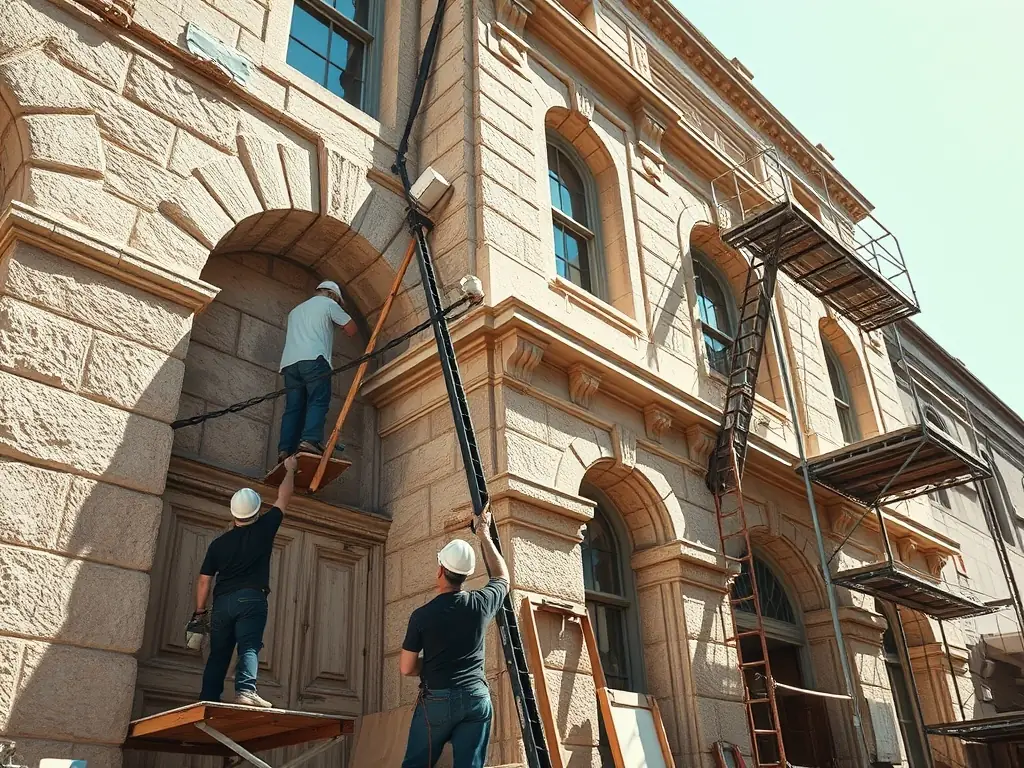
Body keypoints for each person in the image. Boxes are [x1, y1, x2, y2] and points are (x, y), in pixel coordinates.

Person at [399, 503, 509, 768]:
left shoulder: (421, 616)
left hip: (437, 701)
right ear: (466, 575)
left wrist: (434, 662)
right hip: (476, 699)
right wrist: (484, 533)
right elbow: (502, 577)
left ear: (440, 570)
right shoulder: (481, 603)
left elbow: (407, 668)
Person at [192, 455, 297, 707]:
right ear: (257, 511)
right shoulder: (265, 528)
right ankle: (246, 691)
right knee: (249, 645)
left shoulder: (218, 544)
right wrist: (290, 470)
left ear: (233, 513)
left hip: (222, 603)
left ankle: (207, 698)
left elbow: (204, 581)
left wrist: (199, 611)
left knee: (218, 653)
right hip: (251, 599)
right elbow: (283, 497)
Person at [277, 280, 358, 462]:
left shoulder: (295, 311)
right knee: (318, 400)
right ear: (333, 296)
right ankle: (310, 440)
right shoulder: (329, 304)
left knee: (293, 408)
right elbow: (351, 328)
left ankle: (285, 449)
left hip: (290, 364)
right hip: (314, 359)